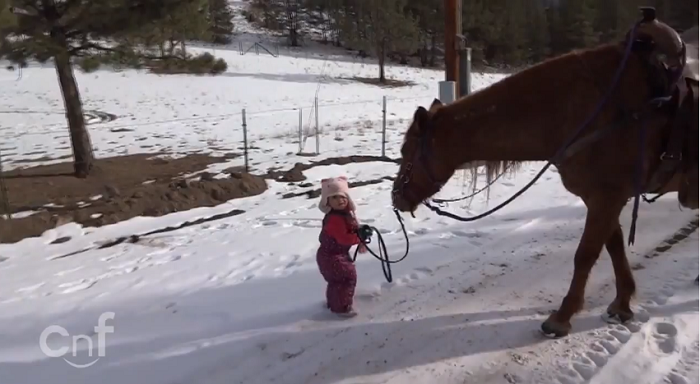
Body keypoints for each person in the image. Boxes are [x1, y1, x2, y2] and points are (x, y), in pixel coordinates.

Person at [316, 176, 367, 317]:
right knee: (346, 278)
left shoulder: (344, 215)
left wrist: (360, 236)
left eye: (343, 197)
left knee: (336, 281)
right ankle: (341, 308)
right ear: (328, 201)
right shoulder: (335, 219)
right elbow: (345, 238)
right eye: (335, 198)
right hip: (332, 257)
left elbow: (352, 230)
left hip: (333, 255)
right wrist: (359, 238)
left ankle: (333, 303)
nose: (340, 200)